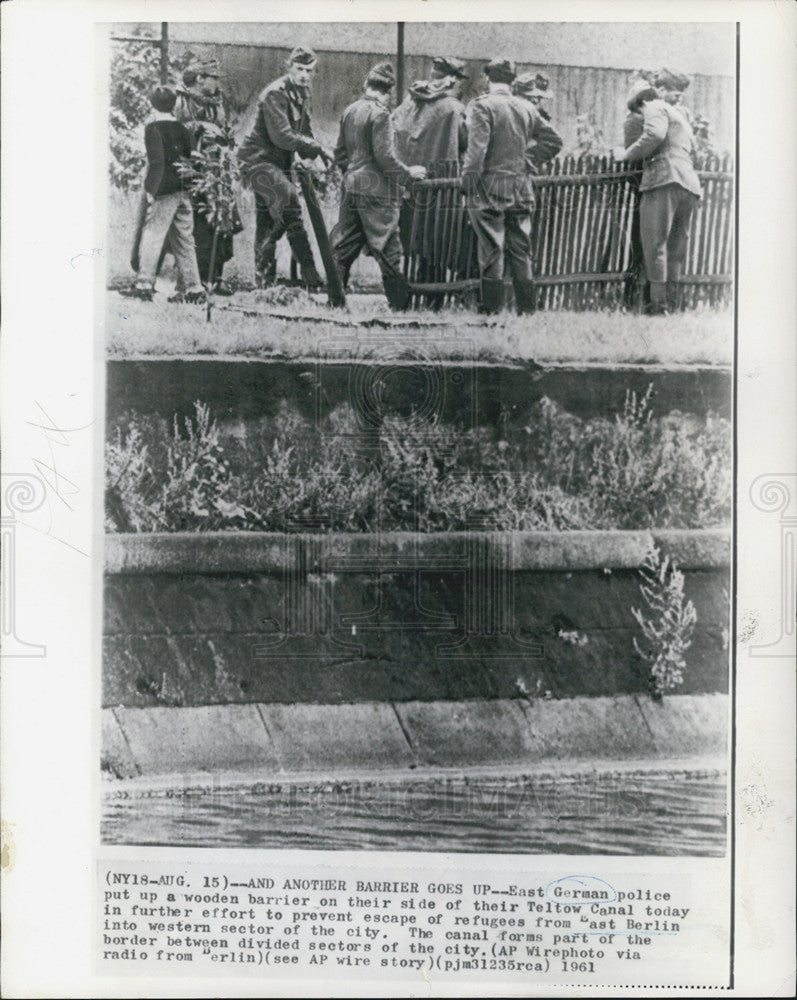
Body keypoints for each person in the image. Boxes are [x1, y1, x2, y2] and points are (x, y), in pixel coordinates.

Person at [330, 62, 427, 310]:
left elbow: (339, 153)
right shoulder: (381, 114)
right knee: (388, 249)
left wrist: (352, 175)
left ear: (367, 85)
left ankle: (335, 302)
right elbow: (385, 157)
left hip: (351, 188)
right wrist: (408, 175)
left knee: (343, 247)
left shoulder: (350, 111)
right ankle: (400, 308)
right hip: (377, 193)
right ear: (388, 92)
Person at [238, 46, 331, 289]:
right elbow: (282, 136)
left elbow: (304, 131)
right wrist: (317, 149)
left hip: (278, 164)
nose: (304, 75)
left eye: (309, 70)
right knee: (290, 204)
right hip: (257, 161)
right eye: (299, 69)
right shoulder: (275, 93)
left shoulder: (301, 93)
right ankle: (310, 275)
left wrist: (315, 158)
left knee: (269, 220)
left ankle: (264, 283)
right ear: (288, 66)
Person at [461, 58, 547, 315]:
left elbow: (476, 154)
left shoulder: (482, 106)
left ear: (488, 79)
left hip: (490, 189)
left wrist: (467, 185)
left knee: (492, 250)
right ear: (511, 81)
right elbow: (554, 141)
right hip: (521, 188)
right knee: (521, 251)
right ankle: (528, 313)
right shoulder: (526, 107)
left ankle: (491, 314)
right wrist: (528, 162)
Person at [614, 80, 702, 314]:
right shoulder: (680, 116)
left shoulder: (653, 106)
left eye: (638, 112)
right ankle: (672, 305)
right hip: (689, 183)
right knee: (676, 248)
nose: (640, 116)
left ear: (640, 102)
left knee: (655, 246)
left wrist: (627, 155)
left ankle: (657, 306)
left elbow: (654, 133)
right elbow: (692, 147)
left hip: (664, 179)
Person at [125, 86, 203, 303]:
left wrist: (151, 190)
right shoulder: (184, 129)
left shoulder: (153, 129)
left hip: (164, 190)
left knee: (153, 235)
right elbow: (191, 157)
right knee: (185, 239)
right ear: (174, 104)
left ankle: (144, 284)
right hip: (184, 189)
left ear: (152, 104)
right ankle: (194, 288)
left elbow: (158, 161)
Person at [173, 60, 242, 295]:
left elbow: (225, 131)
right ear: (199, 78)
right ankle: (195, 279)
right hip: (193, 172)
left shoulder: (216, 103)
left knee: (223, 221)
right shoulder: (182, 100)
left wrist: (225, 140)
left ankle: (216, 277)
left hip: (216, 171)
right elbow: (177, 133)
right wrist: (199, 127)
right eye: (213, 77)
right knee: (198, 225)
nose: (217, 82)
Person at [392, 56, 468, 175]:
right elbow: (466, 142)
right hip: (438, 183)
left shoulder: (410, 100)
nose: (460, 86)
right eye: (460, 81)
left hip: (406, 177)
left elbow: (392, 127)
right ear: (452, 79)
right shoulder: (454, 108)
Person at [513, 71, 563, 173]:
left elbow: (553, 142)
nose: (536, 101)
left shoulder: (539, 117)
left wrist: (526, 161)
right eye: (534, 97)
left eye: (539, 98)